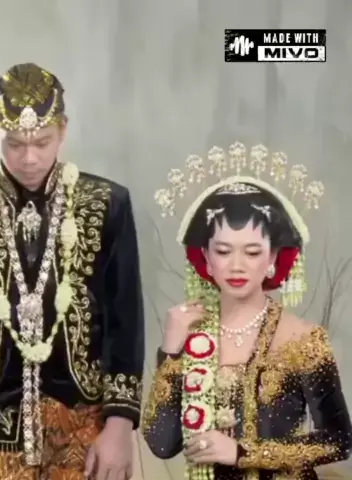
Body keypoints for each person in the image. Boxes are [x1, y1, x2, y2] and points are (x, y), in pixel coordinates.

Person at [0, 62, 144, 480]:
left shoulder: (106, 203)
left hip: (86, 426)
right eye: (14, 144)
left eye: (42, 142)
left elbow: (124, 320)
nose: (29, 158)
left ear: (63, 130)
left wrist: (119, 426)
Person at [141, 143, 352, 479]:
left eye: (252, 252)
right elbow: (161, 444)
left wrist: (242, 453)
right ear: (206, 258)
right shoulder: (193, 336)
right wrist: (169, 352)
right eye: (224, 251)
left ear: (272, 259)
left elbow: (338, 440)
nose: (236, 265)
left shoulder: (303, 339)